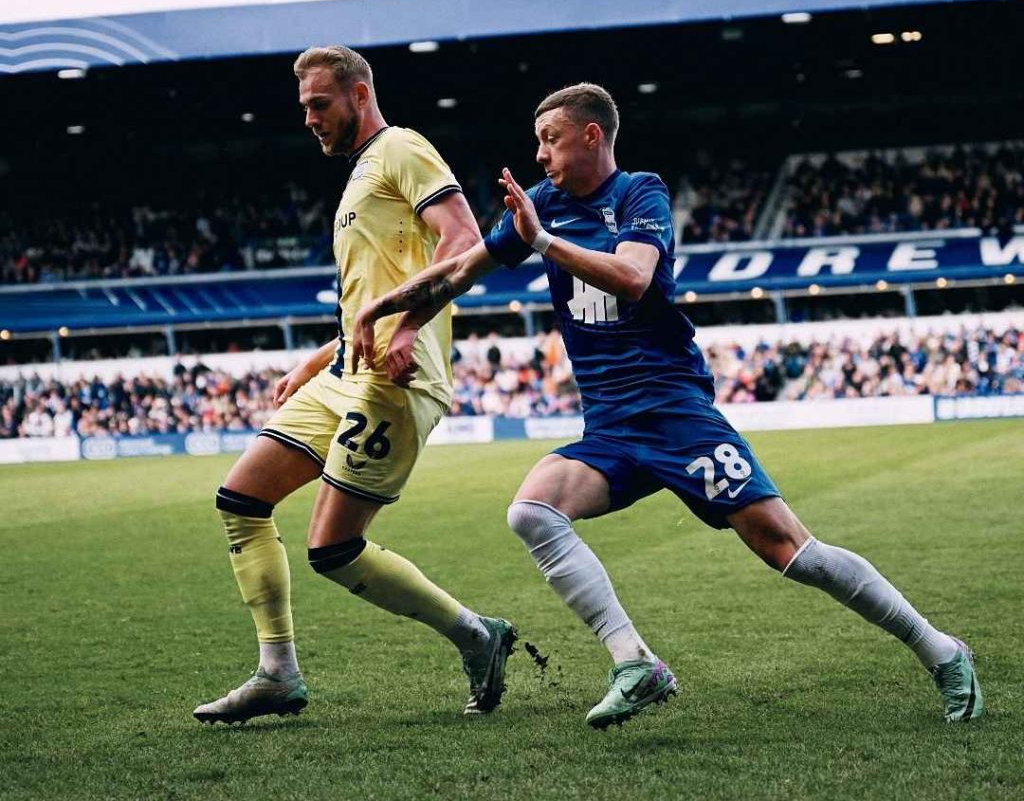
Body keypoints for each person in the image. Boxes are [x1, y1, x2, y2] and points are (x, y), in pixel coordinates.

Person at [350, 82, 983, 729]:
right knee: (532, 512)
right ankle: (636, 663)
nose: (539, 155)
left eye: (551, 140)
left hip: (674, 413)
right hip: (610, 427)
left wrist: (542, 243)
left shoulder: (638, 194)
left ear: (592, 135)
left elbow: (633, 278)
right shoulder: (543, 204)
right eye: (537, 142)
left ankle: (942, 649)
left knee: (789, 549)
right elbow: (459, 270)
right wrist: (390, 311)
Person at [193, 46, 516, 725]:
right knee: (241, 500)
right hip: (345, 374)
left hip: (396, 381)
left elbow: (465, 240)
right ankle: (277, 673)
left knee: (332, 549)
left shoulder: (400, 147)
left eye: (320, 104)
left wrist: (409, 325)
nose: (310, 118)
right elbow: (367, 301)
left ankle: (476, 635)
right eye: (304, 106)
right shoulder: (361, 174)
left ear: (359, 94)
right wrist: (314, 363)